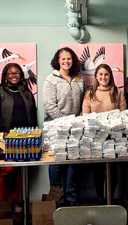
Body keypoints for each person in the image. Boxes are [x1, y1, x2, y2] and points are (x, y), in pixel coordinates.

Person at [0, 63, 37, 212]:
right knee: (6, 170)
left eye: (17, 73)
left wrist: (34, 132)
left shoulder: (26, 91)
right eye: (10, 73)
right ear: (5, 76)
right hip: (6, 137)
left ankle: (15, 202)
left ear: (21, 76)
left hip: (25, 138)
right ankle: (4, 204)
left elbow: (33, 112)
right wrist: (5, 131)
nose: (14, 75)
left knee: (19, 170)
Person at [43, 47, 86, 206]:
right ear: (58, 61)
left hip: (75, 127)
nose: (66, 61)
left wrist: (78, 121)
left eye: (69, 58)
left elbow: (84, 102)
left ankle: (71, 199)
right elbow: (49, 106)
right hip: (55, 126)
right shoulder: (51, 79)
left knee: (73, 163)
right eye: (63, 59)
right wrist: (65, 122)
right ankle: (57, 200)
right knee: (56, 164)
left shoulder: (79, 79)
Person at [82, 64, 126, 204]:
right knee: (98, 169)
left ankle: (111, 200)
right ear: (96, 76)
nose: (103, 77)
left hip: (114, 138)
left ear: (110, 76)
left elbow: (123, 115)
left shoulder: (117, 92)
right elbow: (85, 116)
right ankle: (101, 198)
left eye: (106, 74)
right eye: (100, 74)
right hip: (96, 138)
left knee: (113, 170)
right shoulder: (90, 93)